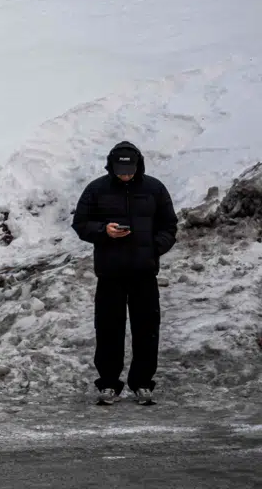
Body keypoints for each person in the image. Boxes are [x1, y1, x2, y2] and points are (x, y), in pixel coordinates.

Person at [71, 141, 177, 406]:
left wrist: (154, 248)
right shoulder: (96, 189)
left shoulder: (154, 188)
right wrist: (103, 231)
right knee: (108, 330)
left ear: (138, 166)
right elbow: (80, 223)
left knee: (147, 330)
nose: (125, 175)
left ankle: (142, 383)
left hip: (144, 273)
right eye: (120, 171)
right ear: (111, 166)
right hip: (110, 273)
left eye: (129, 171)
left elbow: (169, 225)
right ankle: (108, 384)